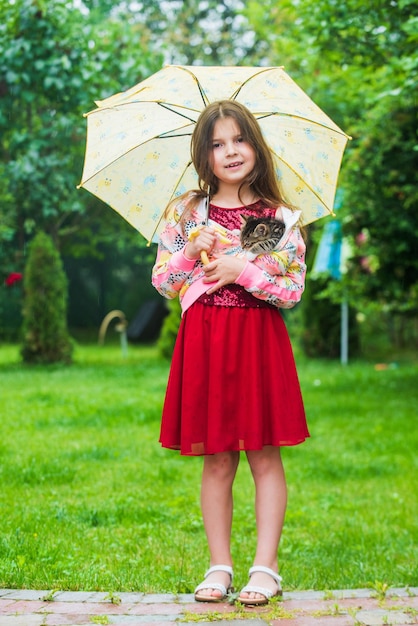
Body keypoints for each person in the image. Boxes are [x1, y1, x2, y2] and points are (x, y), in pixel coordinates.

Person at [151, 100, 309, 606]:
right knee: (217, 457)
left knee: (264, 453)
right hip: (206, 341)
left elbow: (291, 290)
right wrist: (189, 251)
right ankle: (219, 565)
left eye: (239, 139)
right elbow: (164, 283)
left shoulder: (278, 219)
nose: (230, 151)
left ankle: (266, 568)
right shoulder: (186, 212)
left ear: (256, 146)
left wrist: (244, 272)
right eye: (217, 144)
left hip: (258, 339)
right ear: (204, 155)